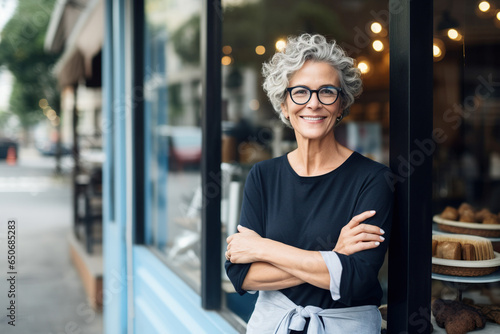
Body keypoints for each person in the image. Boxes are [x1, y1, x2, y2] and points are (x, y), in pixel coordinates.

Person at [225, 33, 393, 333]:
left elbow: (357, 278)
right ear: (284, 105)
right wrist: (334, 260)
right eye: (300, 92)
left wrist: (262, 248)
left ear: (341, 104)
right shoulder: (263, 176)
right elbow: (241, 274)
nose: (313, 104)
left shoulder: (373, 179)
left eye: (326, 92)